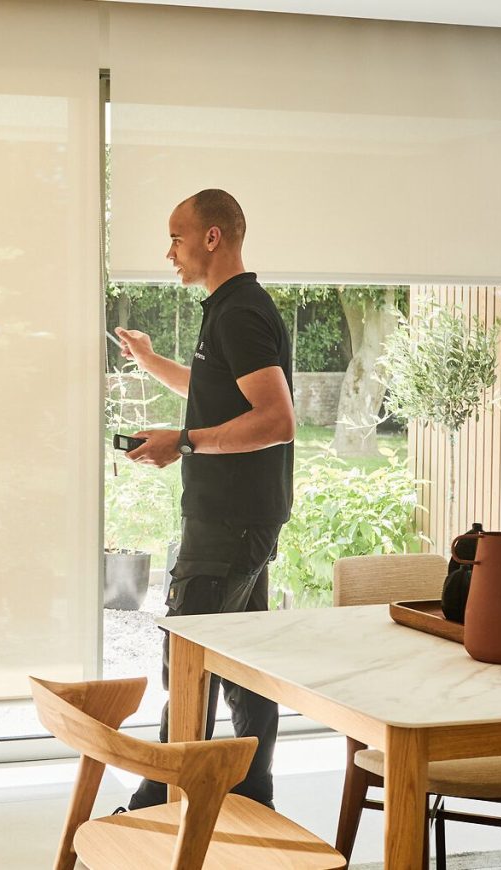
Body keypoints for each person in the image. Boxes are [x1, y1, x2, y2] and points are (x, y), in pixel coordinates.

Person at [116, 189, 294, 811]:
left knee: (188, 666)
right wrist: (150, 360)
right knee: (245, 670)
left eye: (177, 237)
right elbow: (219, 386)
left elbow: (277, 419)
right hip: (240, 519)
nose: (170, 251)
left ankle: (158, 809)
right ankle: (251, 807)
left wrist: (183, 442)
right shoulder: (231, 309)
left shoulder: (239, 312)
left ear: (212, 237)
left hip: (229, 524)